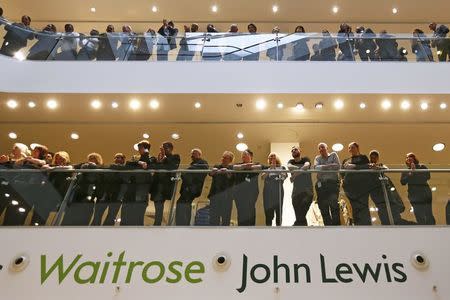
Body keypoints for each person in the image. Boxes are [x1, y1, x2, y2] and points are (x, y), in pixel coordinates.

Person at [121, 140, 156, 226]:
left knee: (138, 217)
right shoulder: (135, 158)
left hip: (142, 190)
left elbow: (148, 165)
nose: (138, 150)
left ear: (146, 149)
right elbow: (128, 164)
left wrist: (146, 154)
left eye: (140, 148)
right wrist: (139, 162)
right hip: (131, 189)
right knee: (125, 214)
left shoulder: (152, 158)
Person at [367, 150, 406, 225]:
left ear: (377, 158)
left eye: (375, 156)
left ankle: (395, 221)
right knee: (381, 207)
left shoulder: (380, 165)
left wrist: (378, 167)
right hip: (376, 191)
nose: (373, 158)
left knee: (391, 205)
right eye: (372, 156)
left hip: (385, 189)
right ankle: (386, 223)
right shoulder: (368, 166)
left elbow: (386, 169)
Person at [175, 148, 208, 225]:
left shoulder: (202, 163)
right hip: (189, 189)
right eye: (192, 154)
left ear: (199, 154)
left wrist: (184, 173)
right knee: (183, 204)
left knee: (182, 204)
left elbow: (191, 173)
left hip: (191, 189)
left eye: (194, 153)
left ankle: (183, 224)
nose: (192, 155)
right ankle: (183, 224)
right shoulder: (194, 164)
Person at [400, 153, 435, 225]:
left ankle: (432, 228)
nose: (408, 158)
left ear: (414, 159)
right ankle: (422, 229)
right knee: (418, 213)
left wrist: (415, 170)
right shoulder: (406, 171)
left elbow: (428, 176)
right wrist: (411, 173)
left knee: (428, 212)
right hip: (413, 195)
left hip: (425, 193)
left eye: (411, 157)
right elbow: (402, 182)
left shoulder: (422, 167)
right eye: (407, 157)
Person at [151, 141, 181, 225]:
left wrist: (164, 158)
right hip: (156, 185)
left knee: (159, 205)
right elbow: (155, 166)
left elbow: (172, 166)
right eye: (162, 149)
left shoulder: (175, 157)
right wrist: (160, 161)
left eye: (165, 148)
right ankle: (157, 224)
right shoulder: (159, 157)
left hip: (164, 186)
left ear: (170, 149)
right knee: (157, 205)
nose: (163, 150)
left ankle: (157, 225)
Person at [341, 142, 372, 225]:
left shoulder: (363, 157)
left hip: (361, 188)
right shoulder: (345, 160)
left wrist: (354, 166)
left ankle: (367, 228)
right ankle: (357, 227)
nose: (351, 149)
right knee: (353, 209)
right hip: (349, 189)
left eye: (352, 147)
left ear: (357, 148)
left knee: (363, 208)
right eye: (349, 148)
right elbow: (342, 173)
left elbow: (367, 167)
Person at [314, 143, 341, 226]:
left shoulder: (333, 154)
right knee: (323, 206)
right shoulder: (317, 158)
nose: (321, 149)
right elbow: (316, 167)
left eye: (322, 147)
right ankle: (328, 227)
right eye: (319, 148)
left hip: (332, 183)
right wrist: (330, 165)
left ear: (327, 148)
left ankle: (336, 227)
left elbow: (337, 166)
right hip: (321, 185)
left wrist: (323, 167)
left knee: (333, 204)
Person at [233, 149, 261, 226]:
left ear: (251, 157)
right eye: (243, 156)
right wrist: (244, 166)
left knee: (250, 212)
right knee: (241, 213)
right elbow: (233, 167)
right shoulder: (238, 165)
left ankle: (251, 233)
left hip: (251, 194)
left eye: (246, 155)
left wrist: (249, 166)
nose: (243, 157)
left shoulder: (256, 164)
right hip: (239, 195)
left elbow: (260, 167)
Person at [287, 146, 313, 226]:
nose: (294, 151)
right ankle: (302, 229)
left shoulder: (305, 159)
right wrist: (301, 169)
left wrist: (294, 175)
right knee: (299, 214)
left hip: (307, 190)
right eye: (292, 150)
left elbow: (307, 165)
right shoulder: (291, 161)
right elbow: (289, 166)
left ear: (300, 151)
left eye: (295, 149)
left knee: (302, 209)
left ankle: (296, 225)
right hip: (296, 192)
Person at [208, 151, 235, 226]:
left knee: (226, 219)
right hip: (215, 195)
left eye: (225, 158)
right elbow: (210, 174)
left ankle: (224, 236)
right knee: (213, 219)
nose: (223, 159)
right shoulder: (217, 166)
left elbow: (232, 178)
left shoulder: (232, 168)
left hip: (227, 197)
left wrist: (227, 172)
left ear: (230, 160)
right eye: (222, 157)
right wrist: (213, 172)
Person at [262, 153, 287, 226]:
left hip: (278, 192)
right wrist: (270, 169)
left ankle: (279, 231)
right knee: (268, 214)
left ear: (277, 158)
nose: (272, 158)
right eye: (270, 157)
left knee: (279, 213)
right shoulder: (266, 168)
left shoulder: (282, 168)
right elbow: (262, 177)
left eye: (273, 156)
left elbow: (285, 176)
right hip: (268, 193)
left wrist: (275, 168)